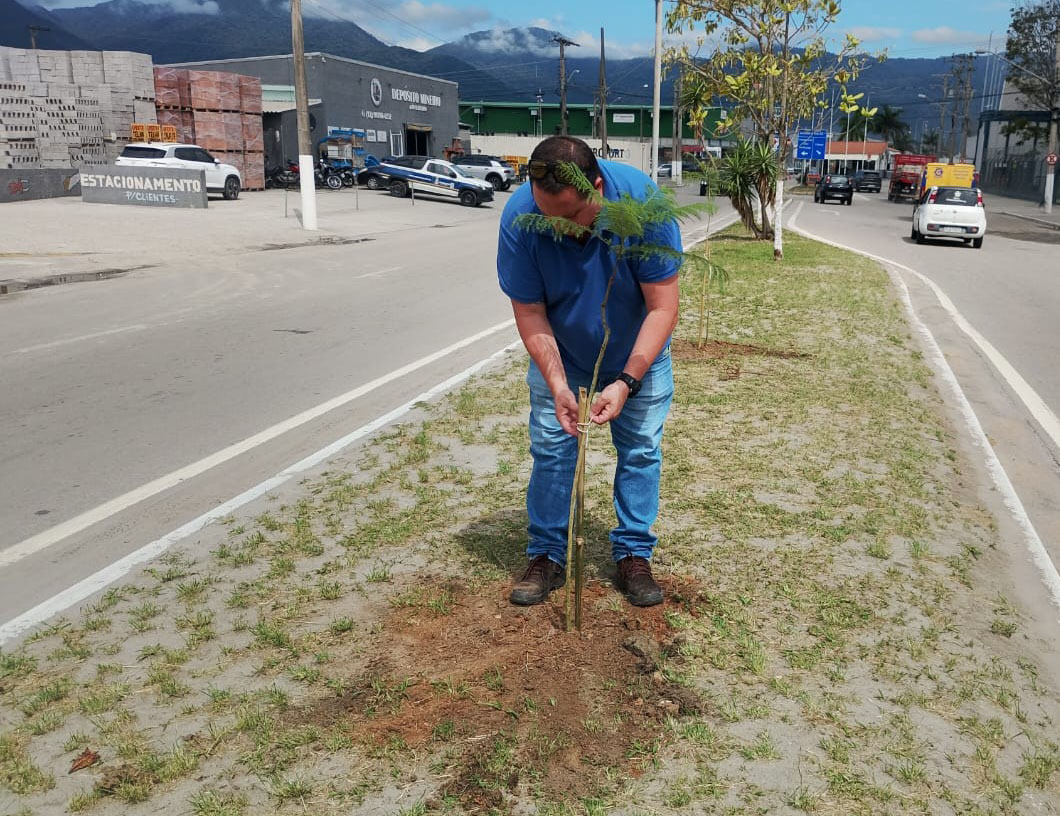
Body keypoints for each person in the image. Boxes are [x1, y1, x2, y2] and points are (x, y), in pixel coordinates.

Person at [496, 136, 682, 608]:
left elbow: (662, 307)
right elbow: (530, 310)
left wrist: (627, 381)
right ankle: (546, 554)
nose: (556, 228)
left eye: (569, 217)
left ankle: (634, 553)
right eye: (548, 217)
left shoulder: (642, 207)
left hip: (637, 355)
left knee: (640, 451)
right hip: (564, 354)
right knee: (552, 451)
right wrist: (558, 384)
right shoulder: (521, 217)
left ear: (596, 188)